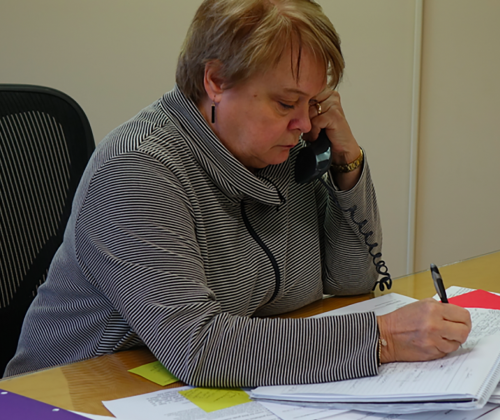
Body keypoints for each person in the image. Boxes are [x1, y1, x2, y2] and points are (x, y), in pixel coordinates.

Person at [4, 0, 471, 386]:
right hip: (71, 396)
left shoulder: (282, 150)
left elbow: (348, 281)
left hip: (192, 392)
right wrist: (382, 339)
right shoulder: (138, 169)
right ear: (215, 81)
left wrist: (346, 162)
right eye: (287, 103)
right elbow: (201, 348)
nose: (305, 124)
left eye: (313, 104)